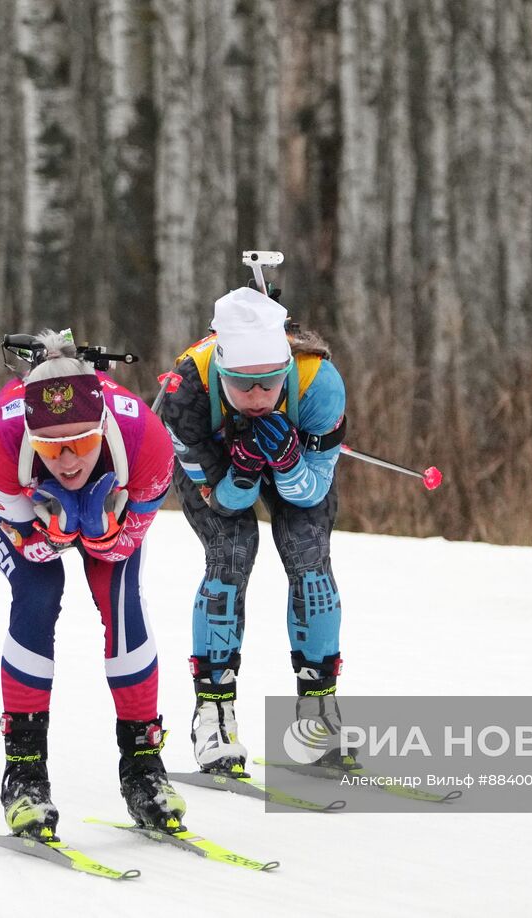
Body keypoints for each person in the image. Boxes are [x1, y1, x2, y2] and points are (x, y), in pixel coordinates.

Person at [0, 330, 184, 838]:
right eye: (51, 447)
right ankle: (24, 775)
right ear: (31, 437)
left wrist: (99, 531)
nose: (68, 461)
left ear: (102, 425)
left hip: (110, 489)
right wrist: (56, 533)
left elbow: (119, 550)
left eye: (81, 443)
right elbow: (31, 550)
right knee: (39, 591)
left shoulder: (148, 442)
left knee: (120, 599)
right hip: (7, 486)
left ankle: (144, 769)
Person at [158, 287, 348, 776]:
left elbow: (309, 493)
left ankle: (317, 714)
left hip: (296, 463)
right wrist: (241, 473)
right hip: (219, 466)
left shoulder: (319, 382)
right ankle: (213, 716)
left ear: (287, 366)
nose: (258, 398)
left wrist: (287, 463)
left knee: (309, 556)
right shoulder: (186, 392)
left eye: (270, 382)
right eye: (243, 385)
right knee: (232, 550)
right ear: (221, 371)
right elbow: (222, 502)